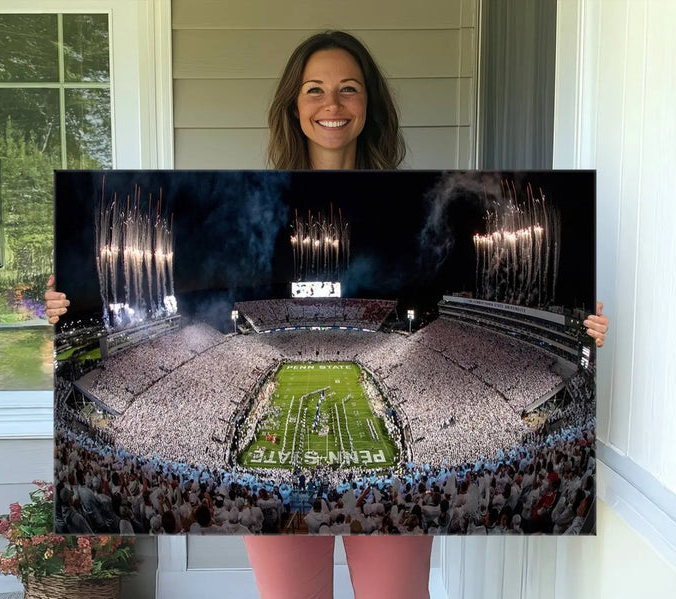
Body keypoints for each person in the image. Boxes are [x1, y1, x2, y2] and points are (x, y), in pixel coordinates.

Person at [45, 30, 609, 599]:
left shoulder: (406, 198)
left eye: (348, 89)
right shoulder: (260, 188)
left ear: (369, 105)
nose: (332, 105)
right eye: (314, 90)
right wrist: (59, 311)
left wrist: (579, 335)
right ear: (294, 105)